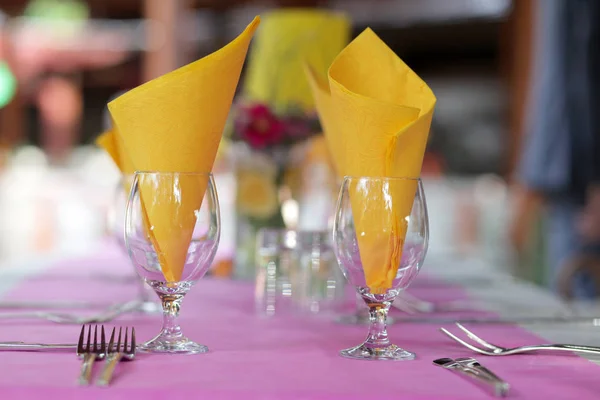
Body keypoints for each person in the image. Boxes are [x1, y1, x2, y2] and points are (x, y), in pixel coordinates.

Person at [515, 0, 600, 299]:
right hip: (565, 174)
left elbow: (579, 80)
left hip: (578, 180)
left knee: (580, 309)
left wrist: (595, 181)